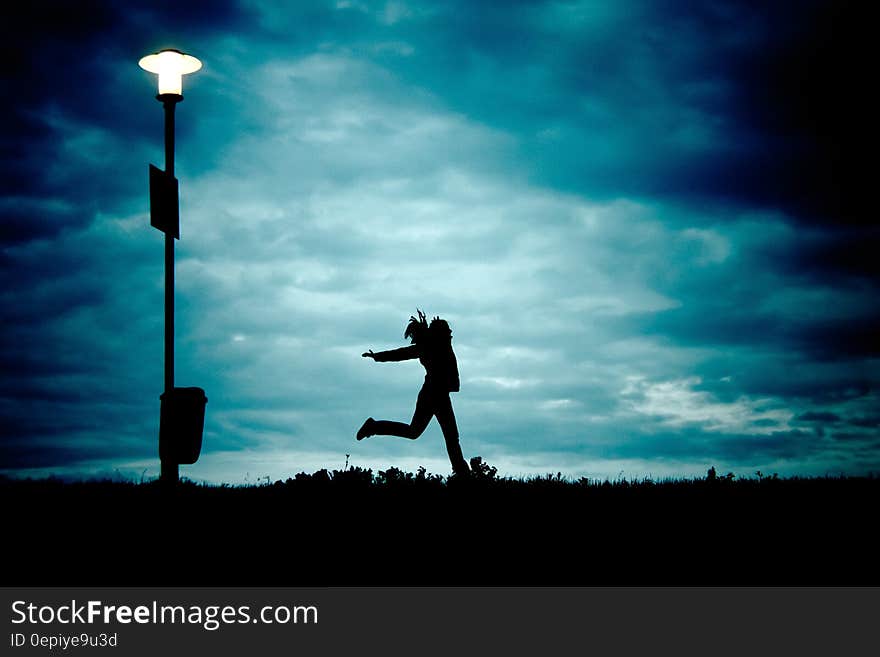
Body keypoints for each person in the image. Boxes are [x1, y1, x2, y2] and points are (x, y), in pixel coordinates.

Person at [357, 310, 470, 477]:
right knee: (447, 436)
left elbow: (403, 353)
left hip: (439, 395)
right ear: (441, 333)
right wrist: (377, 356)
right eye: (448, 330)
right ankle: (463, 474)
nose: (451, 333)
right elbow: (401, 353)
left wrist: (378, 357)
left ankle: (462, 473)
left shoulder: (440, 344)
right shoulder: (431, 346)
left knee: (423, 433)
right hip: (432, 395)